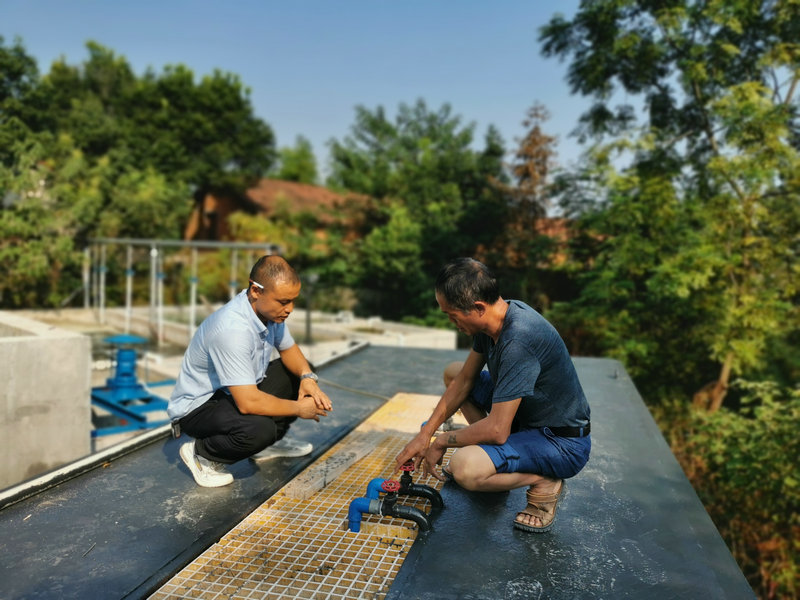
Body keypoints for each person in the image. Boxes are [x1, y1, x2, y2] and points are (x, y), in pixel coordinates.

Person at [395, 258, 590, 533]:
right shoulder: (495, 318)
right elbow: (464, 380)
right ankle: (493, 459)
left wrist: (441, 441)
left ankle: (545, 479)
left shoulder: (518, 340)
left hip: (559, 442)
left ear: (477, 307)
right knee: (453, 373)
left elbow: (498, 430)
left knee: (464, 468)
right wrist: (425, 433)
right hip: (526, 420)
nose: (452, 323)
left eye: (452, 315)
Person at [168, 255, 331, 488]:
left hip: (233, 394)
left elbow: (289, 350)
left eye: (293, 301)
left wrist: (308, 378)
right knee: (258, 429)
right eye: (284, 301)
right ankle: (200, 453)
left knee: (299, 373)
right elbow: (248, 403)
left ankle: (268, 445)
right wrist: (299, 408)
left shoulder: (269, 313)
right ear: (256, 290)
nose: (290, 309)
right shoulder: (232, 330)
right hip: (199, 407)